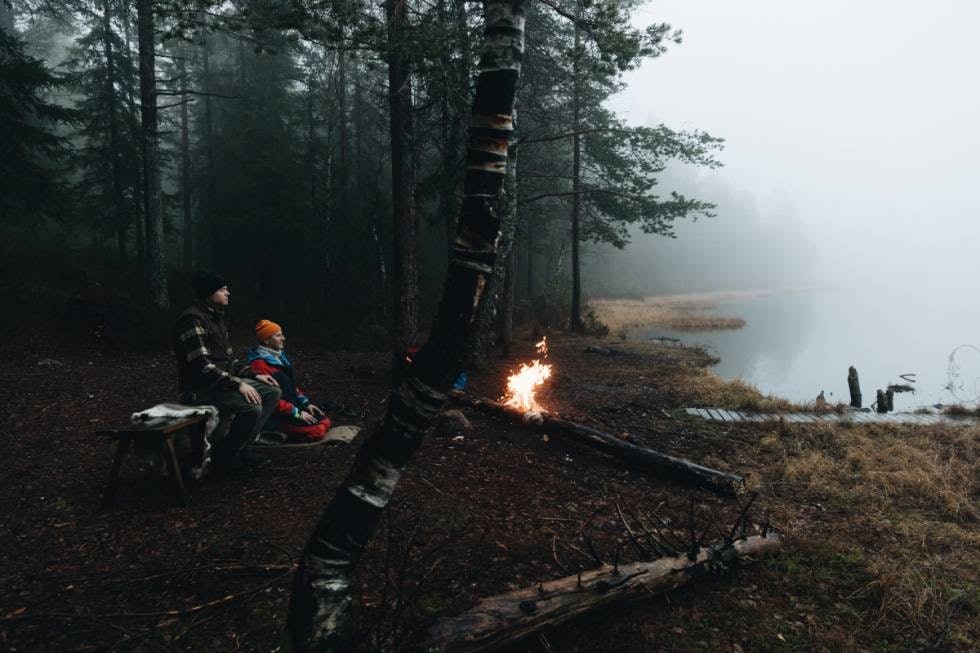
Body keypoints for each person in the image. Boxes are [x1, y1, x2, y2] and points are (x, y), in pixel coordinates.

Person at [173, 270, 282, 472]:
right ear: (209, 293)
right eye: (223, 289)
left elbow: (229, 361)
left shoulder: (216, 318)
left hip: (220, 385)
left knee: (272, 391)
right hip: (200, 389)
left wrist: (254, 375)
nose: (228, 293)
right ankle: (225, 457)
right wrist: (238, 384)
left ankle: (242, 448)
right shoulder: (192, 320)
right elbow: (201, 365)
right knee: (251, 408)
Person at [247, 319, 332, 441]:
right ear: (266, 340)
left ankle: (288, 432)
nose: (283, 338)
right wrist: (297, 413)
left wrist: (306, 403)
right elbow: (269, 398)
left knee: (325, 421)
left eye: (282, 334)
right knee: (318, 431)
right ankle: (273, 432)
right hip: (277, 416)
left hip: (291, 409)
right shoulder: (259, 364)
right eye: (278, 335)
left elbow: (290, 385)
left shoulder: (279, 356)